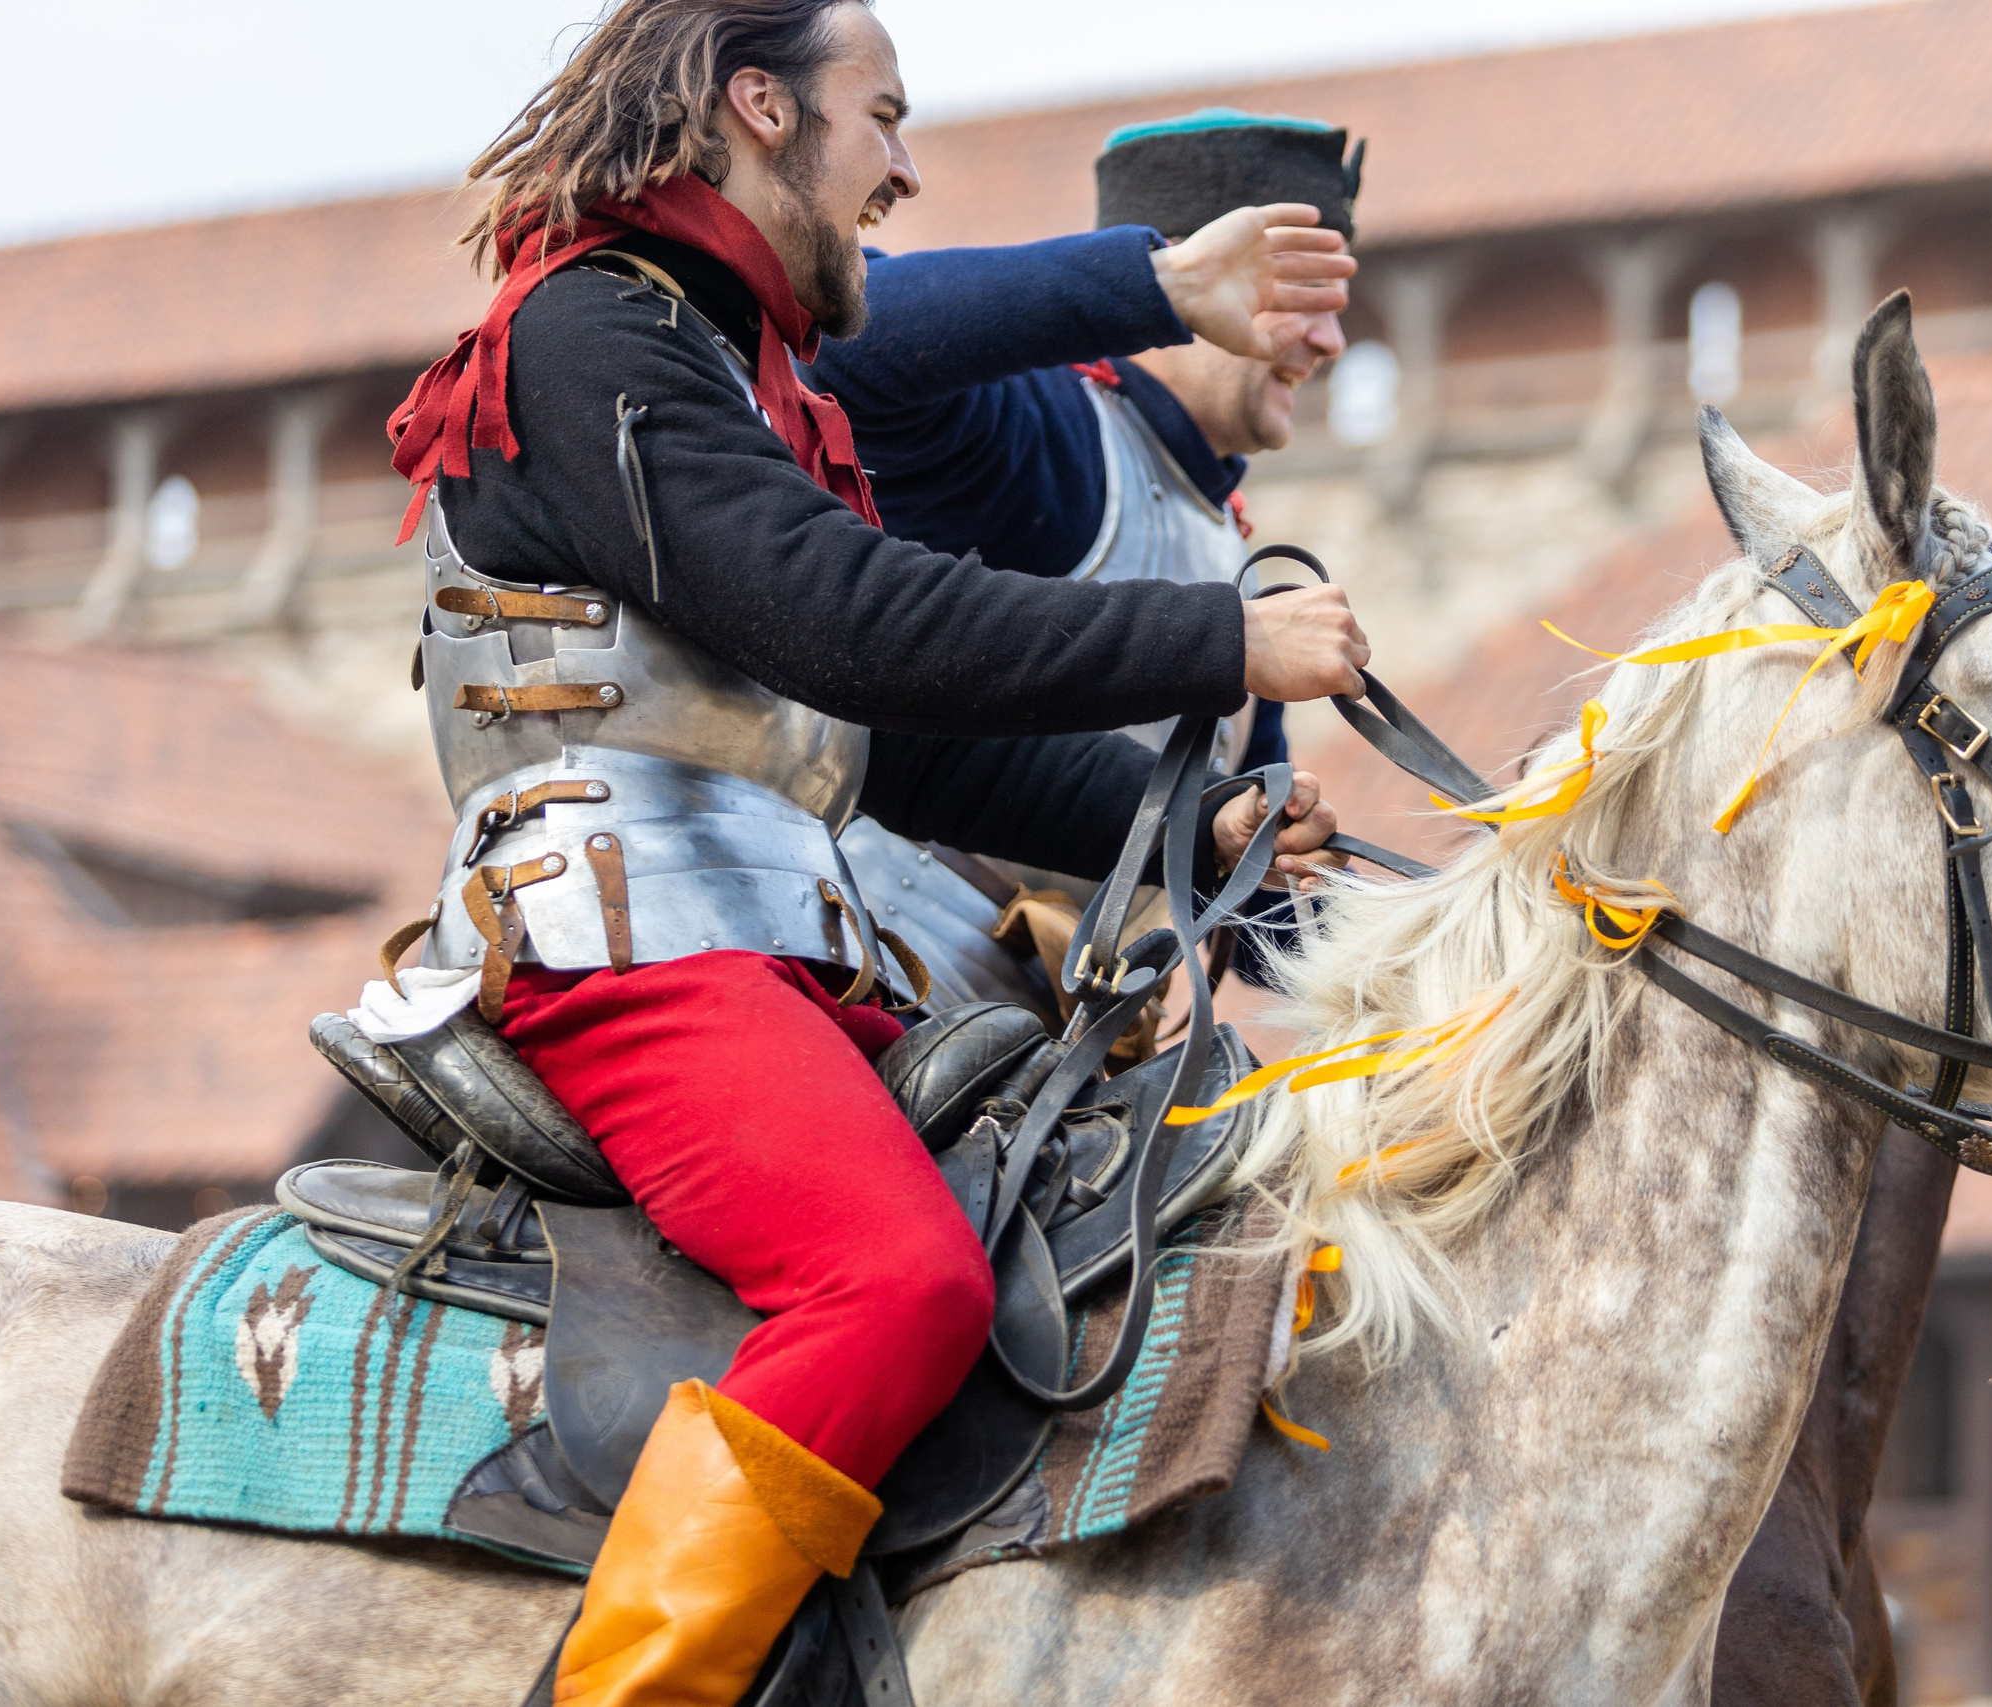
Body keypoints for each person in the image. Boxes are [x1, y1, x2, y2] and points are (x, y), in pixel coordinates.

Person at [383, 3, 1369, 1702]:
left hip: (786, 944)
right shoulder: (593, 330)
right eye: (884, 117)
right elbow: (848, 620)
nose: (905, 169)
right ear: (762, 108)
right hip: (622, 943)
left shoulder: (723, 367)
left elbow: (879, 736)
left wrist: (1182, 822)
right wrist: (1216, 640)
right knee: (896, 1279)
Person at [806, 110, 1364, 1016]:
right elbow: (845, 341)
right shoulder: (1045, 428)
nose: (1332, 343)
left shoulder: (1231, 555)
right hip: (892, 979)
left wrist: (1474, 921)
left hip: (1062, 1046)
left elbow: (1252, 892)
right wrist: (1154, 285)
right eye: (1305, 293)